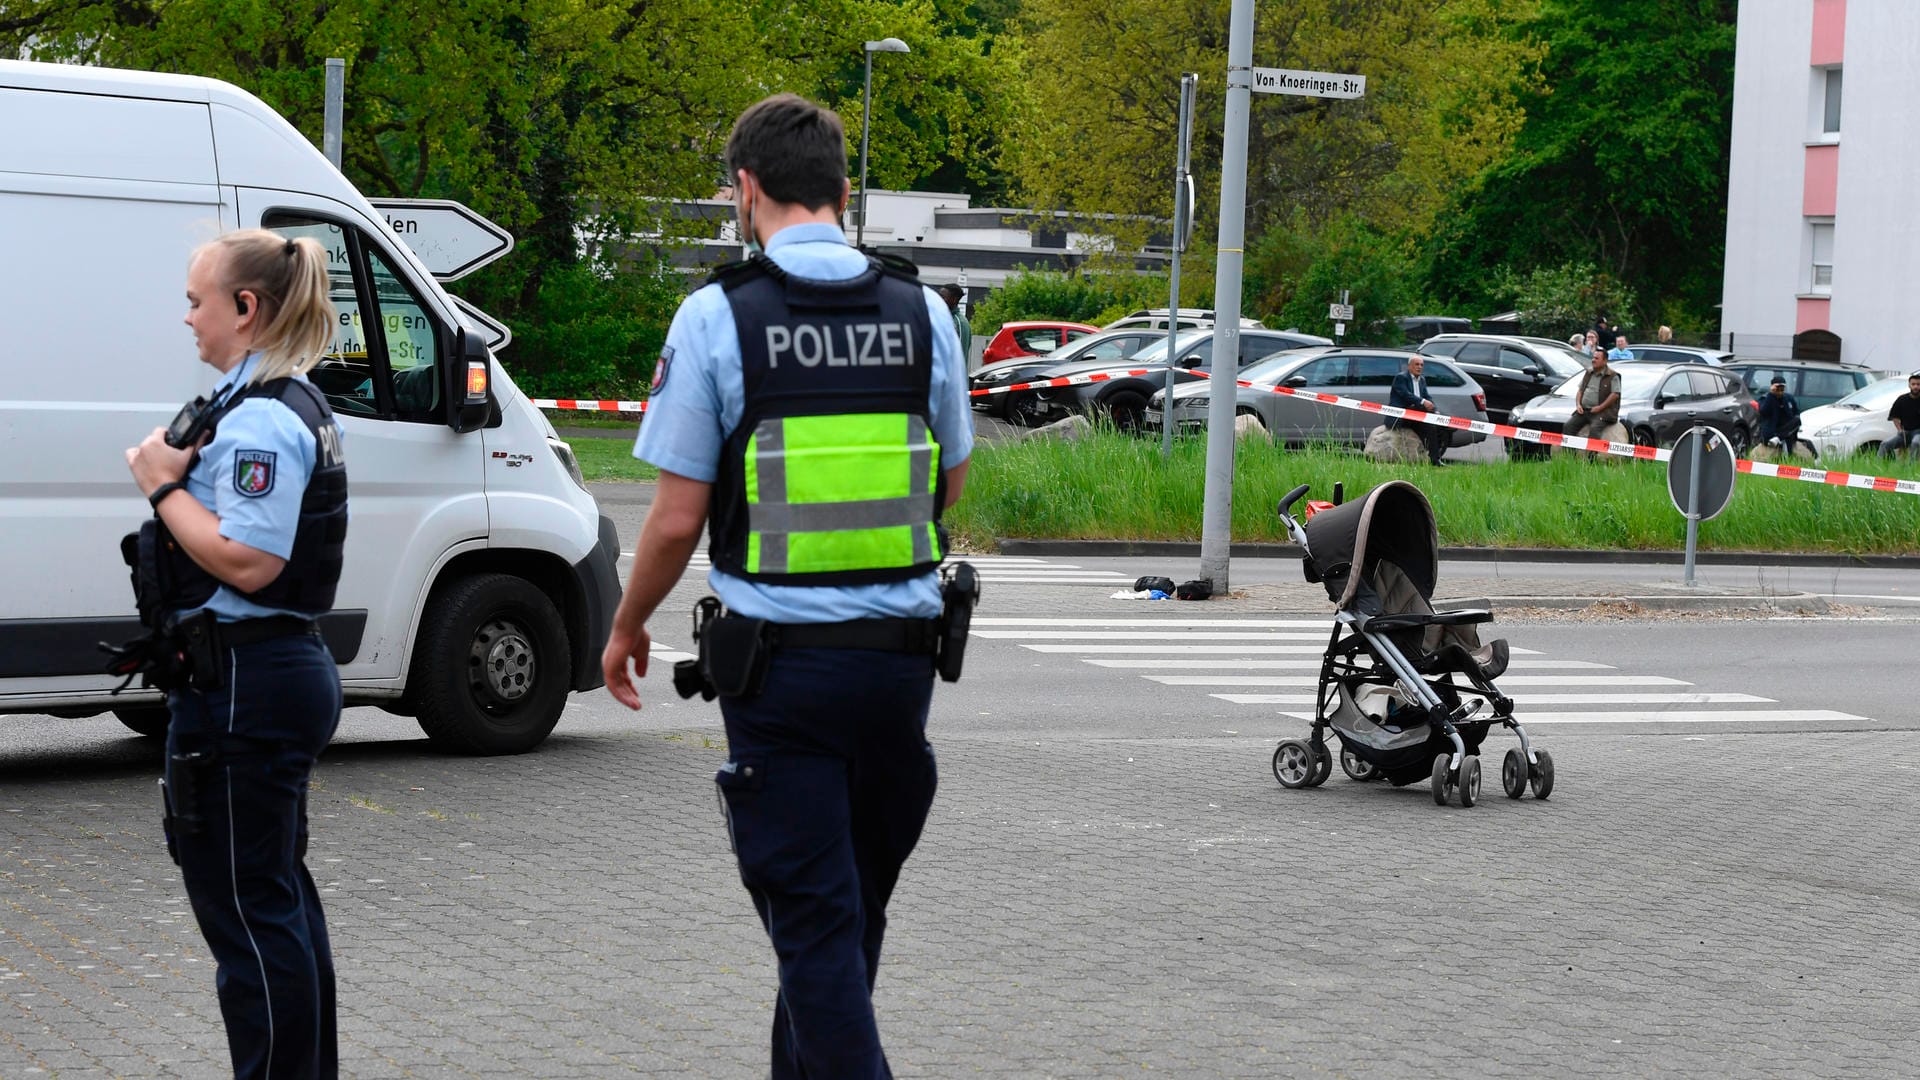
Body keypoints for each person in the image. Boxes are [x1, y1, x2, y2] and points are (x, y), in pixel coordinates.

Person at [599, 93, 972, 1079]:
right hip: (900, 677)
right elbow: (951, 475)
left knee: (817, 948)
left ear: (747, 189)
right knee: (841, 935)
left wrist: (627, 624)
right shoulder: (922, 312)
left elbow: (677, 518)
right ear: (844, 192)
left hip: (785, 685)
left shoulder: (720, 316)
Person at [121, 229, 348, 1079]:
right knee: (273, 900)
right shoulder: (265, 400)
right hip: (261, 673)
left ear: (246, 308)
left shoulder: (259, 419)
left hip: (246, 679)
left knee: (249, 917)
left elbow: (252, 561)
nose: (187, 318)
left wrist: (164, 487)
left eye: (196, 301)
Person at [1386, 355, 1449, 465]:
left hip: (1416, 415)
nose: (1419, 367)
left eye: (1421, 365)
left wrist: (1434, 408)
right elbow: (1405, 395)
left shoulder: (1422, 379)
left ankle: (1435, 459)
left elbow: (1427, 396)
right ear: (1409, 366)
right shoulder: (1401, 377)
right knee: (1421, 409)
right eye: (1416, 364)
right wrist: (1423, 402)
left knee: (1432, 428)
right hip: (1403, 415)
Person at [1563, 347, 1623, 448]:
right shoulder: (1589, 372)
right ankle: (1569, 455)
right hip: (1584, 411)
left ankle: (1592, 459)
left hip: (1602, 412)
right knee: (1568, 426)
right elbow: (1580, 390)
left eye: (1597, 358)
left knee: (1595, 429)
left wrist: (1600, 407)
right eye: (1593, 357)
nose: (1593, 360)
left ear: (1605, 361)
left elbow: (1615, 395)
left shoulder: (1613, 376)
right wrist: (1578, 404)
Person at [1756, 376, 1814, 458]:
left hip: (1786, 431)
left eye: (1782, 390)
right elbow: (1763, 412)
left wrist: (1784, 402)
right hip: (1772, 431)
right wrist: (1771, 394)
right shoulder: (1766, 398)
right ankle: (1778, 437)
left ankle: (1778, 437)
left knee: (1797, 420)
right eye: (1777, 389)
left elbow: (1795, 415)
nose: (1780, 392)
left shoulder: (1788, 398)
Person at [1880, 373, 1920, 457]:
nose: (1916, 387)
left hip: (1918, 433)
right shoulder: (1902, 399)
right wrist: (1899, 430)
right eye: (1913, 384)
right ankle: (1876, 467)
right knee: (1885, 444)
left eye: (1918, 384)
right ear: (1909, 385)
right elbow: (1894, 416)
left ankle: (1911, 468)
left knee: (1916, 443)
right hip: (1904, 433)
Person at [937, 283, 972, 364]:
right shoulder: (944, 319)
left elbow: (958, 356)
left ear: (954, 300)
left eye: (943, 297)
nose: (939, 300)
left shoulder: (960, 323)